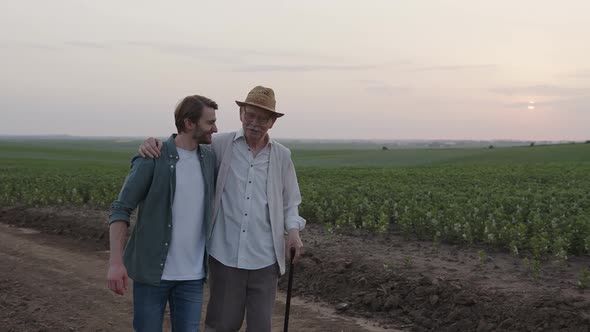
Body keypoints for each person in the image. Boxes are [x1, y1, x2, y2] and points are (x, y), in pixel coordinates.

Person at [139, 86, 305, 332]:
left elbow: (291, 201)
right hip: (225, 256)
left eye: (262, 118)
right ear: (241, 114)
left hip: (265, 258)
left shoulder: (282, 156)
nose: (254, 123)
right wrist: (154, 144)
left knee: (261, 326)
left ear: (272, 122)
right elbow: (183, 145)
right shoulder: (219, 145)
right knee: (221, 325)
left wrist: (293, 232)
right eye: (250, 115)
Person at [107, 94, 218, 332]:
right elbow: (121, 209)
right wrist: (116, 263)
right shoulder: (153, 158)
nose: (215, 128)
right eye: (210, 122)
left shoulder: (210, 159)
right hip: (152, 275)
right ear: (189, 123)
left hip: (193, 277)